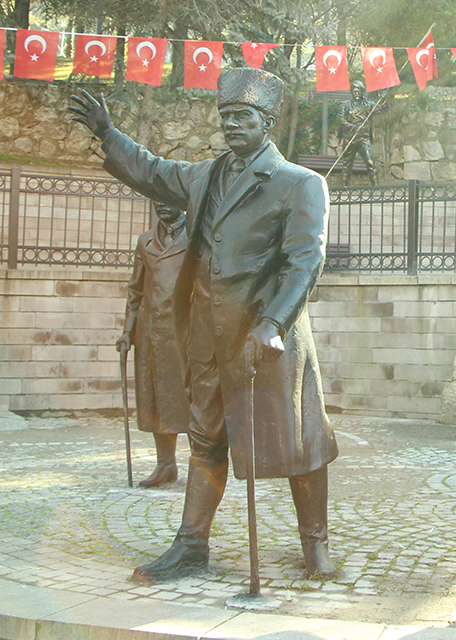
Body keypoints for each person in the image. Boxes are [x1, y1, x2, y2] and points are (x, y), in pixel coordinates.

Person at [70, 67, 339, 583]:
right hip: (208, 338)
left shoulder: (300, 184)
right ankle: (191, 545)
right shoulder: (203, 175)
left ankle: (316, 546)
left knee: (297, 443)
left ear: (266, 121)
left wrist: (274, 321)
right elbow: (149, 170)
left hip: (267, 338)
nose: (231, 125)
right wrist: (108, 133)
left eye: (242, 116)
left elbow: (305, 261)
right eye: (225, 116)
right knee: (206, 439)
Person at [117, 200, 190, 488]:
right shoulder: (145, 240)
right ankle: (166, 465)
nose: (161, 203)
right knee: (155, 399)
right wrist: (128, 331)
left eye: (167, 196)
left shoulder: (197, 237)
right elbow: (135, 288)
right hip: (150, 333)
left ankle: (203, 464)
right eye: (156, 198)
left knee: (192, 400)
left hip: (184, 333)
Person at [334, 80, 381, 186]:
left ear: (361, 92)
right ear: (351, 92)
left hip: (363, 138)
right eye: (354, 91)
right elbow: (340, 120)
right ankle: (344, 186)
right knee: (347, 164)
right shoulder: (345, 106)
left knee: (370, 162)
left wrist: (382, 98)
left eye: (358, 91)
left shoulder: (367, 104)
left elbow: (379, 109)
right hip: (350, 138)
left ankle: (376, 186)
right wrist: (353, 127)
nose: (356, 94)